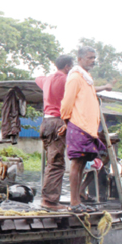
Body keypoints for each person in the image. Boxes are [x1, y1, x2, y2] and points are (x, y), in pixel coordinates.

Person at [60, 46, 112, 213]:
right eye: (90, 58)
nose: (93, 61)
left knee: (83, 163)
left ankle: (78, 199)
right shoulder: (75, 77)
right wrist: (65, 120)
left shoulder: (86, 78)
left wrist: (104, 87)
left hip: (89, 128)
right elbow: (67, 102)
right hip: (78, 124)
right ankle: (74, 202)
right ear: (80, 59)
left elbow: (89, 94)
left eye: (94, 58)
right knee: (76, 164)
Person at [36, 55, 73, 210]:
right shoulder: (66, 80)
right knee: (57, 163)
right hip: (58, 122)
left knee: (51, 162)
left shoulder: (47, 79)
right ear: (67, 67)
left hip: (46, 123)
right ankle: (50, 201)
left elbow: (38, 78)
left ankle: (48, 198)